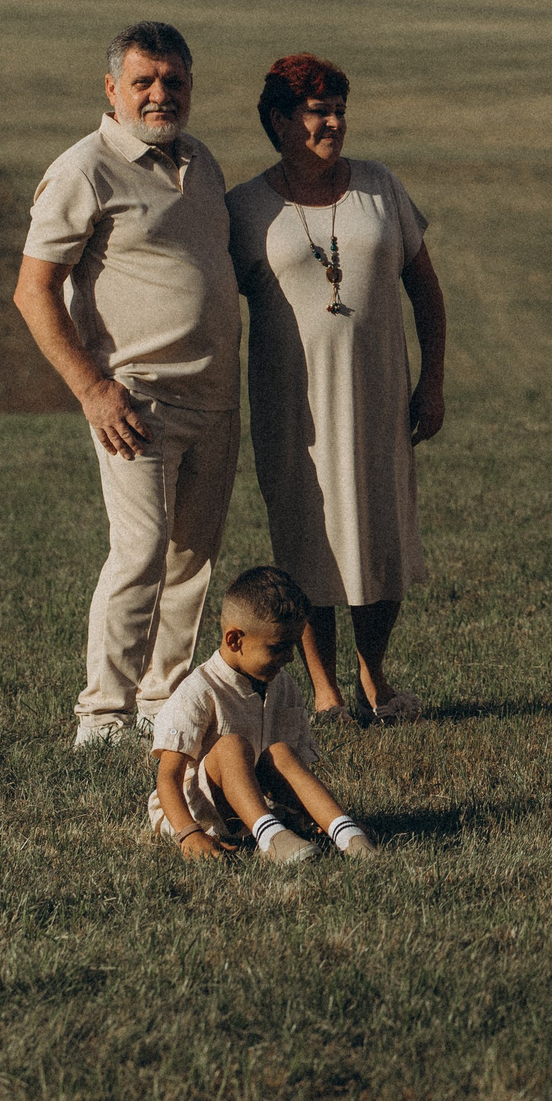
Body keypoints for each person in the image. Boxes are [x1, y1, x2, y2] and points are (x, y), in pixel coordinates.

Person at [15, 21, 244, 748]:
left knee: (192, 558)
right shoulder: (84, 169)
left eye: (172, 80)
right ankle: (103, 715)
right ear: (111, 89)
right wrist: (91, 388)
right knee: (141, 550)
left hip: (214, 397)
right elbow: (33, 291)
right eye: (142, 81)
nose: (159, 94)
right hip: (134, 399)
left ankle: (162, 702)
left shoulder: (201, 160)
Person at [226, 53, 447, 727]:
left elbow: (427, 295)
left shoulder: (380, 187)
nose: (334, 122)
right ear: (279, 120)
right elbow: (206, 299)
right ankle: (322, 690)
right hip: (293, 406)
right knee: (307, 541)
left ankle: (373, 677)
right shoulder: (245, 208)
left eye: (339, 108)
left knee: (382, 538)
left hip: (380, 397)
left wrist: (431, 381)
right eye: (318, 110)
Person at [149, 566, 378, 863]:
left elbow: (292, 770)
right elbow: (168, 777)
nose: (290, 657)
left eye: (293, 646)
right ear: (235, 640)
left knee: (282, 751)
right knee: (233, 745)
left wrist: (313, 816)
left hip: (257, 801)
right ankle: (272, 838)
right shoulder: (197, 691)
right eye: (277, 648)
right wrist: (188, 833)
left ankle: (346, 833)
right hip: (200, 811)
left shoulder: (282, 685)